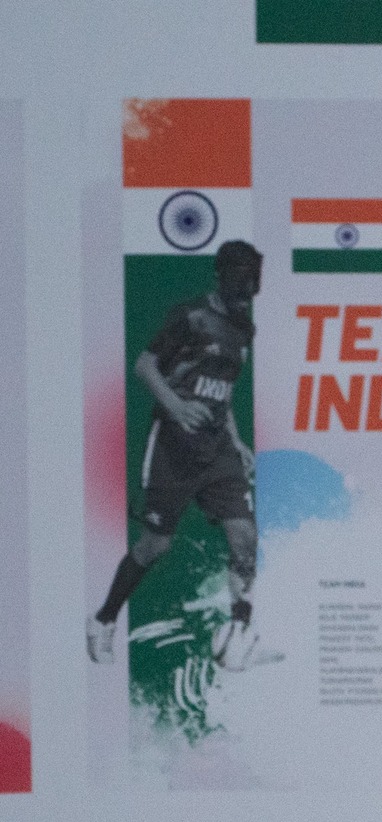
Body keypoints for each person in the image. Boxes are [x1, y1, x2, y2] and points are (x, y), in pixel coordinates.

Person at [89, 240, 274, 670]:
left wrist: (237, 441)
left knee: (244, 536)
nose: (247, 290)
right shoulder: (190, 316)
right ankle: (103, 620)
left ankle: (240, 632)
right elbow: (144, 365)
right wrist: (176, 406)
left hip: (218, 449)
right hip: (174, 447)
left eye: (253, 281)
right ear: (222, 276)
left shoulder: (245, 329)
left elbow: (223, 393)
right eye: (241, 280)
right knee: (155, 545)